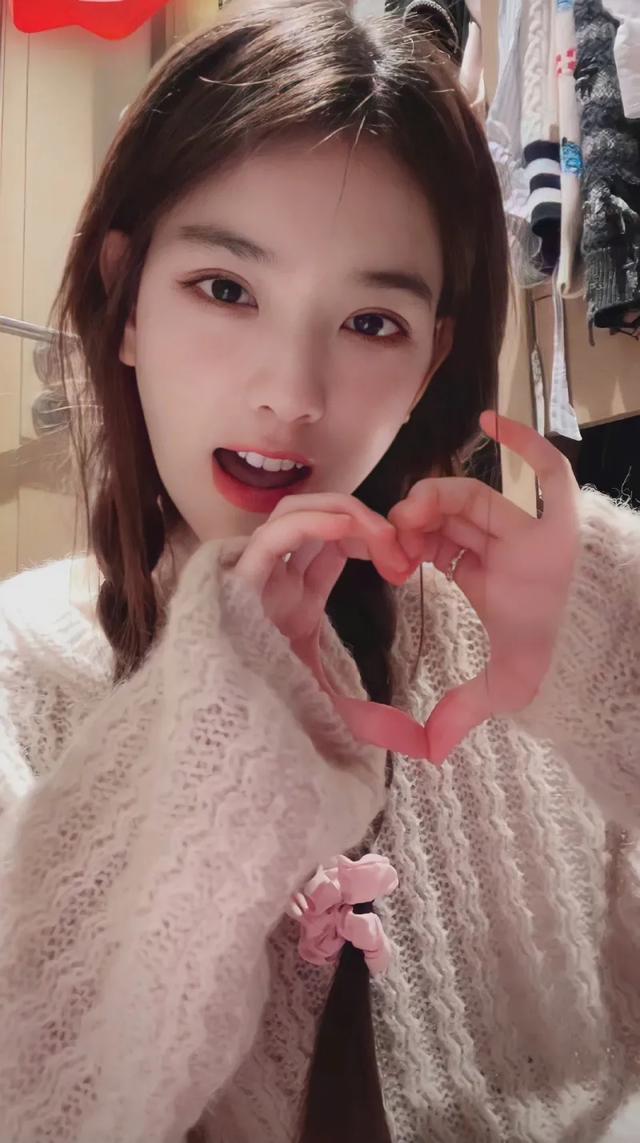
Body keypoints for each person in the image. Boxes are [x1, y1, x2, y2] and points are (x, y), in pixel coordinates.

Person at [0, 2, 638, 1140]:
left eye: (371, 322)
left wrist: (609, 644)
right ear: (126, 297)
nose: (291, 393)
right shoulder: (16, 681)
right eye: (226, 289)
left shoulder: (516, 647)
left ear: (432, 355)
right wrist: (210, 761)